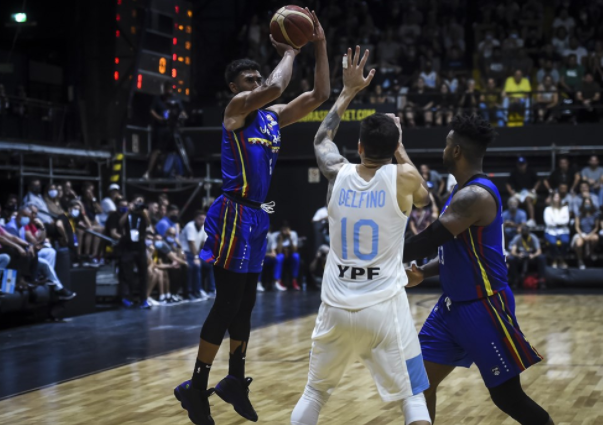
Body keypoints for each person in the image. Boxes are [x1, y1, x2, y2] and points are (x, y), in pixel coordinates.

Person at [174, 10, 330, 425]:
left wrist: (319, 44)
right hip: (232, 213)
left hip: (257, 216)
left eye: (259, 77)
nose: (258, 82)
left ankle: (234, 380)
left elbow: (319, 94)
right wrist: (291, 51)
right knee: (227, 303)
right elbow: (276, 85)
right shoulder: (237, 109)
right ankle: (195, 387)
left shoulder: (272, 117)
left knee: (246, 304)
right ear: (234, 87)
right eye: (250, 79)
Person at [291, 46, 432, 425]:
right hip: (383, 307)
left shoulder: (337, 172)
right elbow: (426, 199)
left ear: (358, 147)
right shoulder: (404, 177)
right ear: (393, 147)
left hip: (335, 306)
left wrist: (348, 90)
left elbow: (321, 139)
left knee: (314, 394)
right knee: (413, 397)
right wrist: (400, 147)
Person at [402, 114, 553, 425]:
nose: (443, 150)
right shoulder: (461, 192)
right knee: (418, 384)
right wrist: (424, 273)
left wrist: (371, 254)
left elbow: (429, 239)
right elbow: (456, 254)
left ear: (456, 150)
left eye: (446, 144)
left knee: (508, 398)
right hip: (450, 308)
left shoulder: (475, 196)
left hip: (484, 308)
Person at [143, 81, 188, 179]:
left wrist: (180, 117)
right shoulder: (158, 99)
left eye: (170, 89)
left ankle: (181, 173)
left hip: (173, 128)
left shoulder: (176, 100)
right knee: (157, 150)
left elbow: (183, 113)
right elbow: (151, 110)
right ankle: (149, 172)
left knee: (177, 150)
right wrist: (160, 118)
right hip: (161, 128)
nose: (168, 91)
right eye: (167, 89)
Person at [117, 194, 151, 308]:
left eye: (141, 202)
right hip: (128, 246)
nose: (139, 204)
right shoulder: (128, 214)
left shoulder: (143, 215)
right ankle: (127, 297)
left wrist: (144, 212)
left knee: (143, 274)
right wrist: (128, 211)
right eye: (137, 202)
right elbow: (120, 224)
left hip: (140, 246)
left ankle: (143, 299)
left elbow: (148, 224)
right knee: (127, 274)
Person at [180, 211, 214, 300]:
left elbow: (203, 243)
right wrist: (196, 257)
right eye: (200, 219)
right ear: (195, 219)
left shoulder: (203, 227)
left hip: (196, 253)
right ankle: (194, 291)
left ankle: (211, 289)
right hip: (186, 253)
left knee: (210, 263)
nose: (202, 221)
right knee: (195, 266)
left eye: (204, 219)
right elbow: (191, 243)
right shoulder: (190, 226)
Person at [506, 157, 540, 226]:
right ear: (517, 165)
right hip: (518, 193)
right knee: (513, 201)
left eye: (523, 164)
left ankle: (532, 220)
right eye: (520, 164)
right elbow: (507, 183)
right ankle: (514, 221)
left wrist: (534, 189)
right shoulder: (514, 173)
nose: (521, 166)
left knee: (528, 199)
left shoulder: (530, 171)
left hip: (529, 193)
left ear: (526, 164)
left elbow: (538, 181)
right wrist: (511, 192)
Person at [544, 192, 570, 269]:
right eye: (555, 197)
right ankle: (554, 259)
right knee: (552, 243)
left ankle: (562, 259)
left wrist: (554, 221)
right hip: (550, 231)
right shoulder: (547, 209)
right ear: (552, 198)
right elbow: (548, 222)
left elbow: (566, 221)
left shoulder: (565, 209)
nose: (556, 199)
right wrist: (560, 221)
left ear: (560, 199)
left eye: (558, 197)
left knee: (565, 242)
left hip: (563, 230)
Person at [572, 197, 600, 269]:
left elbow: (596, 227)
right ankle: (580, 260)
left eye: (588, 203)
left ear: (591, 204)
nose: (587, 205)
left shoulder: (595, 214)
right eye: (586, 203)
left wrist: (589, 235)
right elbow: (577, 227)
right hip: (581, 233)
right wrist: (582, 235)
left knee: (595, 238)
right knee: (579, 243)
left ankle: (591, 252)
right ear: (583, 204)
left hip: (591, 233)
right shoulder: (579, 214)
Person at [272, 221, 300, 291]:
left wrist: (289, 237)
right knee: (279, 257)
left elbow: (295, 250)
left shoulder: (293, 234)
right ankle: (277, 281)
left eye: (286, 229)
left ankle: (294, 280)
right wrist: (281, 239)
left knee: (296, 256)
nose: (285, 231)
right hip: (281, 254)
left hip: (290, 255)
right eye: (283, 229)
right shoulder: (276, 235)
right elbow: (278, 251)